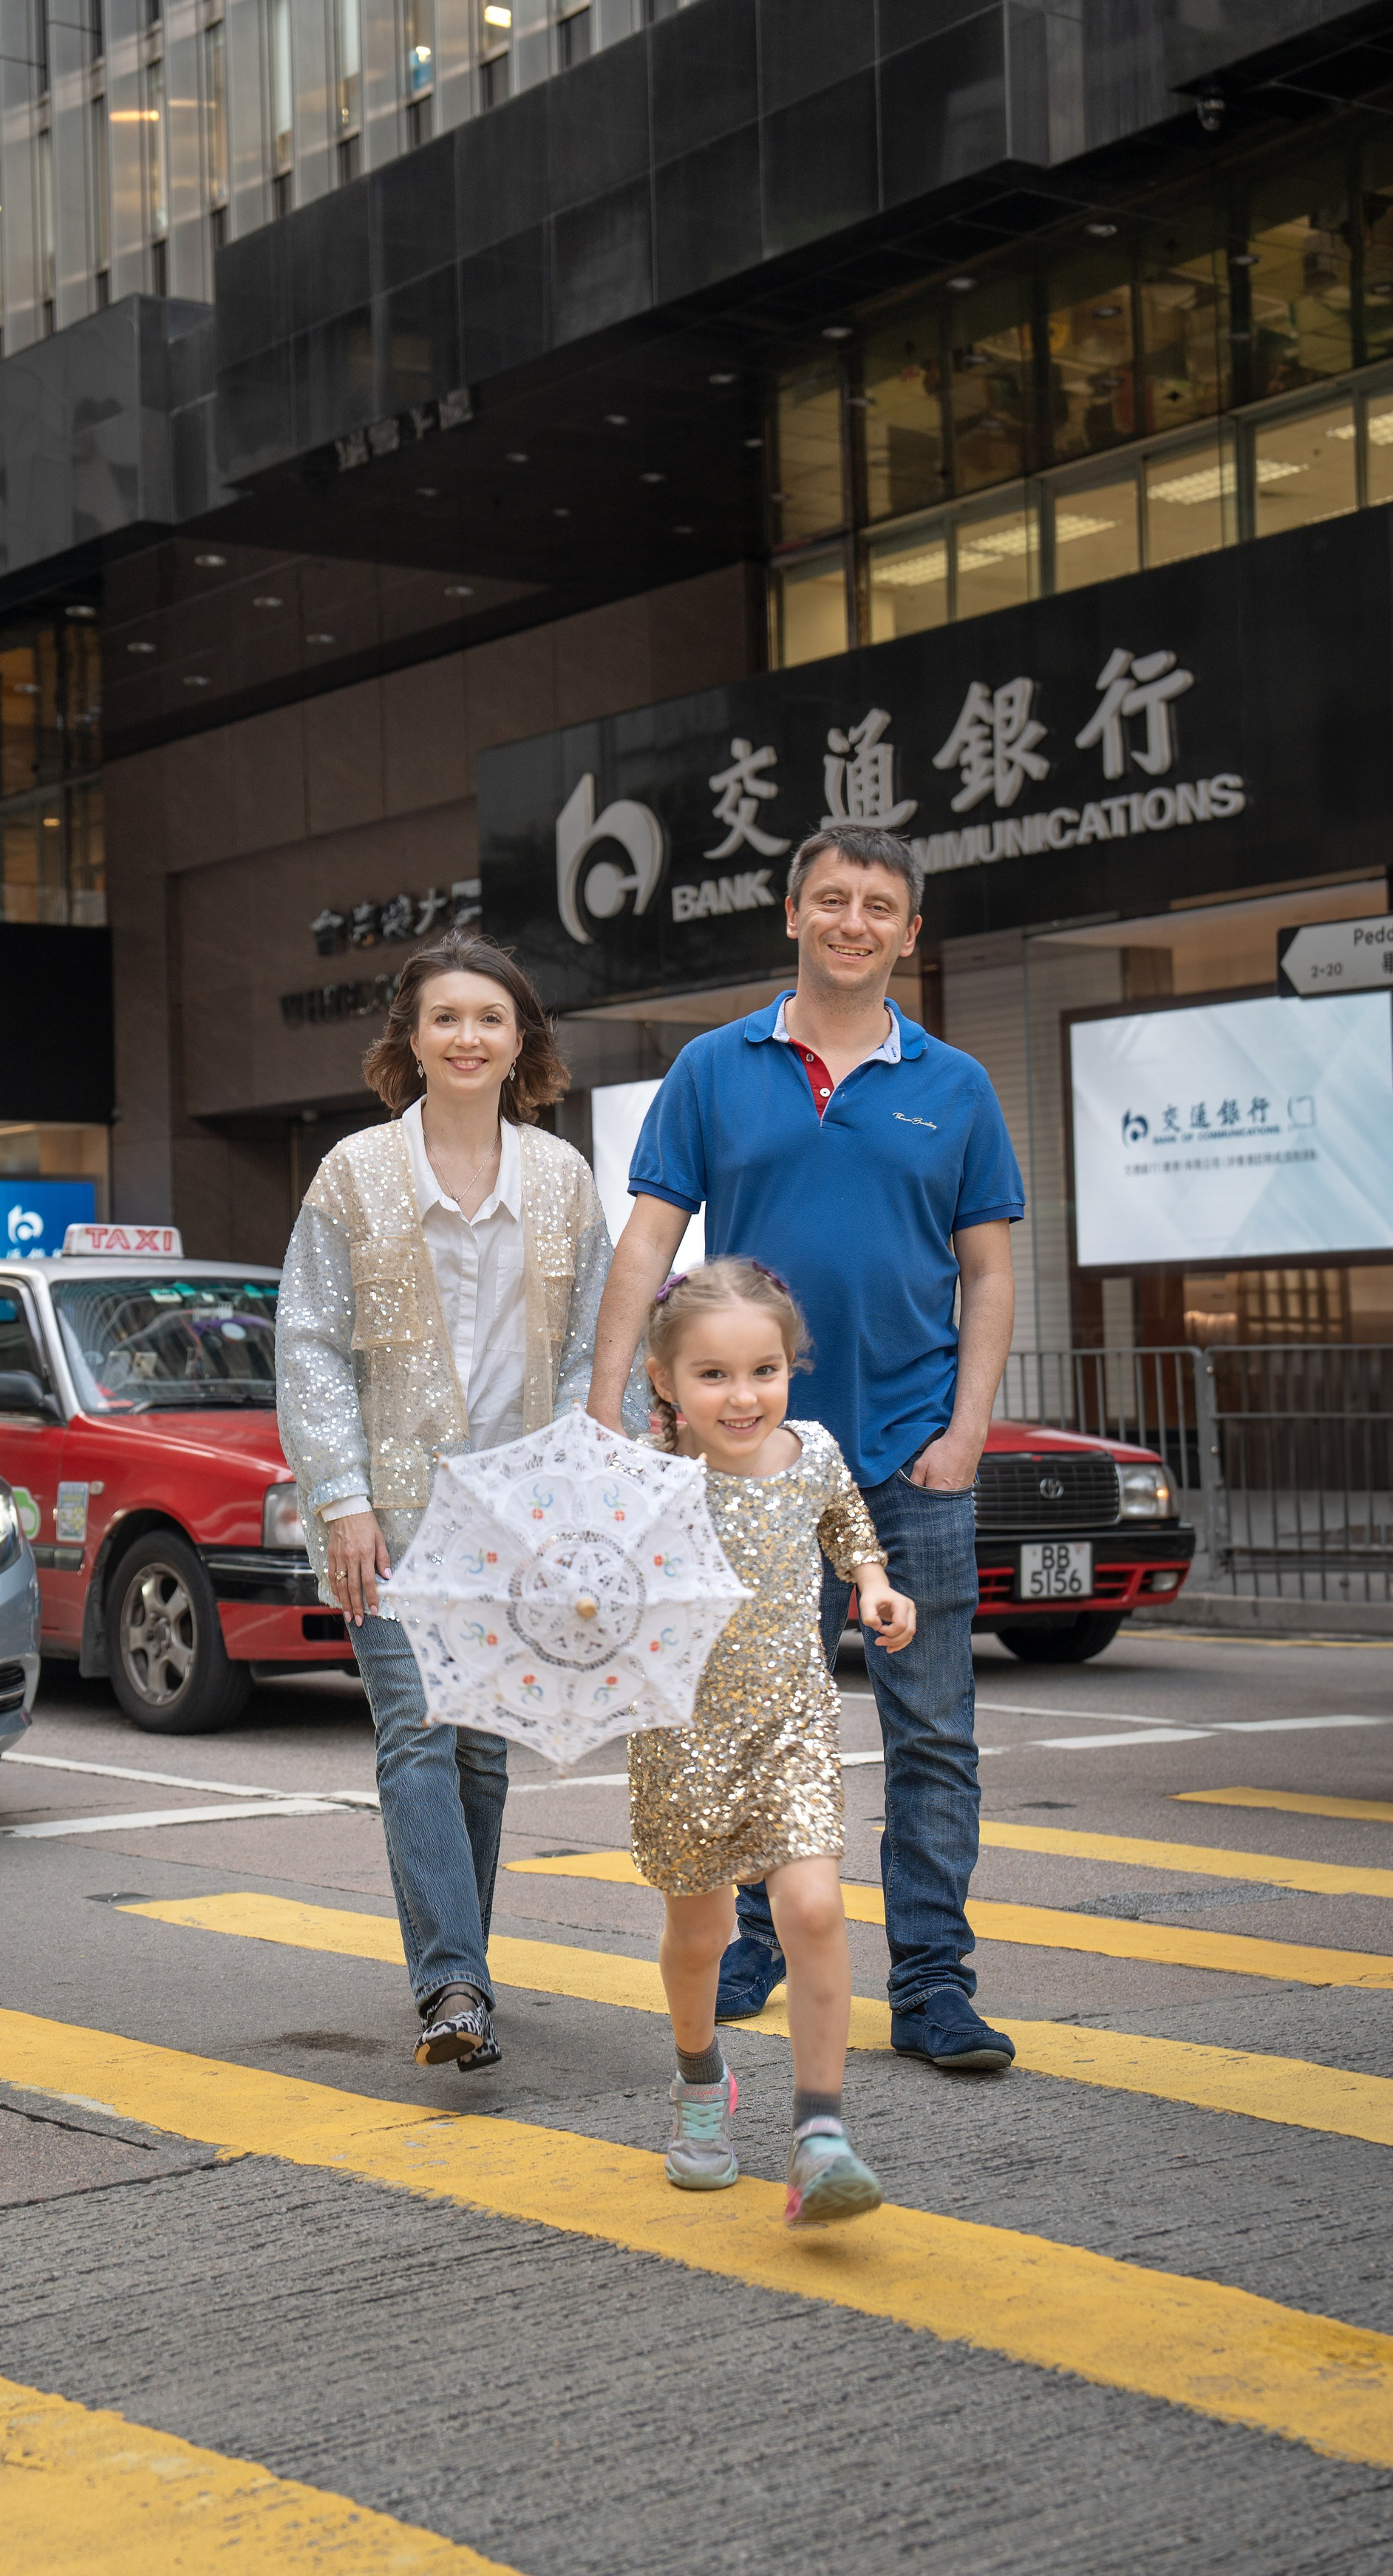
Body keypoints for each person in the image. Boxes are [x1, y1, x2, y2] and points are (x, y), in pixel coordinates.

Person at [587, 822, 1024, 2072]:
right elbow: (648, 1241)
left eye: (877, 905)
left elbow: (986, 1273)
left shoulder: (957, 1087)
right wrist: (611, 1398)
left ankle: (935, 1985)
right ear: (791, 915)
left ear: (908, 933)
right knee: (734, 1714)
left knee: (933, 1734)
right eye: (830, 900)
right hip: (746, 1469)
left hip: (907, 1459)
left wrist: (967, 1430)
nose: (852, 921)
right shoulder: (715, 1068)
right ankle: (758, 1941)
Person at [277, 931, 610, 2073]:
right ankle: (454, 1987)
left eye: (491, 1019)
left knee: (482, 1758)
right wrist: (341, 1496)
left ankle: (462, 1966)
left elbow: (587, 1349)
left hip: (516, 1519)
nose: (468, 1038)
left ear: (523, 1041)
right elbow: (311, 1345)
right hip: (390, 1514)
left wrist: (569, 1486)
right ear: (410, 1040)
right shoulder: (356, 1173)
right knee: (417, 1735)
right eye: (446, 1019)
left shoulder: (562, 1179)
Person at [629, 1257, 913, 2211]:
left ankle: (820, 2131)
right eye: (713, 1375)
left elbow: (850, 1530)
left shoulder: (816, 1453)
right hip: (683, 1734)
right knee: (702, 1932)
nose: (743, 1396)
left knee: (814, 1909)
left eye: (765, 1370)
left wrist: (875, 1586)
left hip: (792, 1720)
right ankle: (702, 2082)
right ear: (667, 1382)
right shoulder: (646, 1475)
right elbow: (596, 1585)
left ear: (793, 1366)